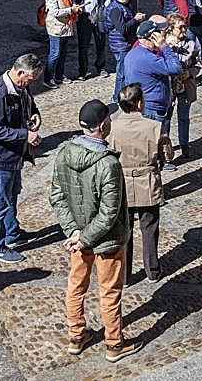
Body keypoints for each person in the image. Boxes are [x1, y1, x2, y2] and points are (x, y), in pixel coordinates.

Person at [49, 99, 142, 363]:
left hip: (77, 237)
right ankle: (114, 343)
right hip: (107, 240)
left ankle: (76, 336)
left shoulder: (65, 153)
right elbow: (109, 213)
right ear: (103, 126)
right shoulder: (107, 164)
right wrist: (85, 236)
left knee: (76, 285)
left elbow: (57, 196)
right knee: (109, 291)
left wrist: (74, 233)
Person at [107, 83, 173, 284]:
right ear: (138, 104)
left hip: (122, 185)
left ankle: (125, 275)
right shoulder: (154, 127)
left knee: (123, 231)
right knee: (150, 228)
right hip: (147, 183)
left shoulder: (112, 127)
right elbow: (168, 156)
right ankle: (152, 270)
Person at [0, 54, 43, 264]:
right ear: (19, 73)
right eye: (30, 79)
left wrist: (35, 114)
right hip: (0, 159)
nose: (31, 83)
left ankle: (12, 232)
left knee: (12, 194)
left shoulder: (21, 87)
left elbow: (29, 104)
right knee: (0, 203)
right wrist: (24, 135)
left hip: (13, 156)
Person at [119, 18, 184, 138]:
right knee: (157, 147)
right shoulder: (148, 58)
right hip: (152, 109)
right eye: (159, 33)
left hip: (145, 106)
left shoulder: (132, 54)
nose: (162, 35)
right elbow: (176, 69)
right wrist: (164, 46)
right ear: (152, 37)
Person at [165, 13, 200, 160]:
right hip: (169, 87)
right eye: (180, 27)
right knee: (166, 117)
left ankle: (184, 144)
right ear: (171, 29)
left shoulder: (190, 44)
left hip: (185, 86)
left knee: (184, 117)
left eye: (185, 27)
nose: (184, 30)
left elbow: (198, 65)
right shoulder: (164, 45)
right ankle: (165, 147)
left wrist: (190, 73)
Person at [104, 0, 146, 103]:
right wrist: (135, 20)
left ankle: (126, 95)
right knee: (121, 74)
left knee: (126, 72)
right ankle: (117, 98)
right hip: (120, 45)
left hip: (126, 43)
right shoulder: (115, 9)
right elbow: (122, 29)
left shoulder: (124, 5)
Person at [74, 0, 111, 80]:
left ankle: (101, 67)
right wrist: (75, 6)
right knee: (83, 45)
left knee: (100, 41)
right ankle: (83, 71)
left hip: (98, 13)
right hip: (84, 15)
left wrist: (104, 6)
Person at [43, 0, 80, 88]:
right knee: (55, 53)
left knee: (63, 54)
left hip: (64, 28)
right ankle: (48, 78)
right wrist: (70, 10)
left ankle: (59, 76)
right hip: (55, 29)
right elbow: (54, 12)